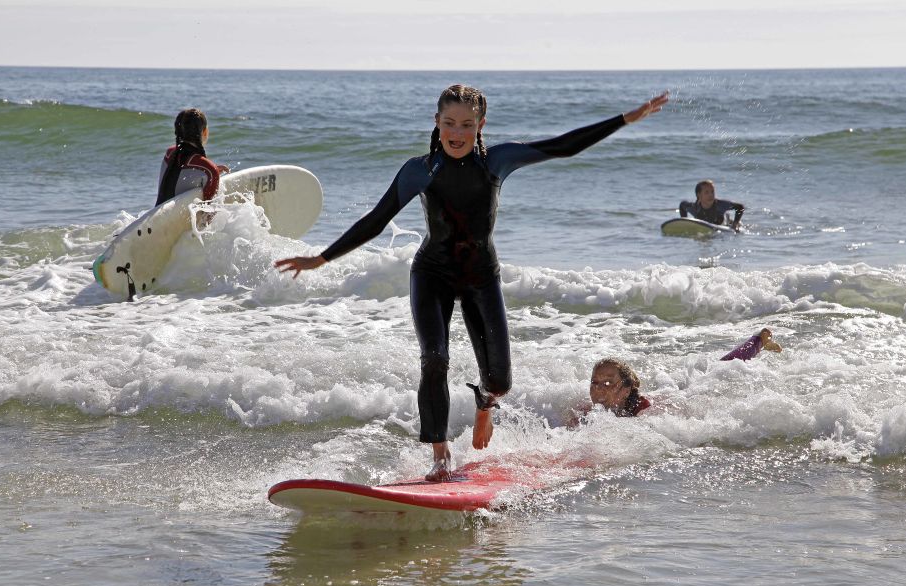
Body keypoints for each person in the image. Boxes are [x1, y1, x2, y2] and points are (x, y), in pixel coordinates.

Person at [275, 85, 669, 481]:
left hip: (481, 276)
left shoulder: (497, 161)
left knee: (499, 380)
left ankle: (484, 404)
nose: (457, 132)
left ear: (481, 124)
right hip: (432, 274)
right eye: (449, 123)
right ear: (437, 123)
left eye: (466, 124)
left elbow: (561, 147)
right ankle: (440, 455)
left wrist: (624, 119)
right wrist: (321, 257)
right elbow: (376, 220)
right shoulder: (419, 169)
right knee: (434, 360)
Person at [571, 328, 782, 426]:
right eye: (594, 382)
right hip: (672, 393)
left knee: (724, 371)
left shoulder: (643, 411)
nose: (598, 389)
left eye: (608, 383)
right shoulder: (587, 411)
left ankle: (760, 340)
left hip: (692, 398)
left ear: (626, 390)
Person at [155, 108, 229, 206]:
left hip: (157, 216)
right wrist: (211, 172)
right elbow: (209, 216)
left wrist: (210, 170)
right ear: (205, 132)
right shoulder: (208, 171)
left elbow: (179, 176)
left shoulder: (169, 154)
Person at [678, 180, 745, 230]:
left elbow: (740, 207)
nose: (711, 195)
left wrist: (735, 224)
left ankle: (732, 221)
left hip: (723, 225)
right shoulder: (694, 207)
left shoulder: (720, 205)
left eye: (712, 191)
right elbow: (682, 205)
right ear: (699, 195)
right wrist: (684, 221)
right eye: (706, 192)